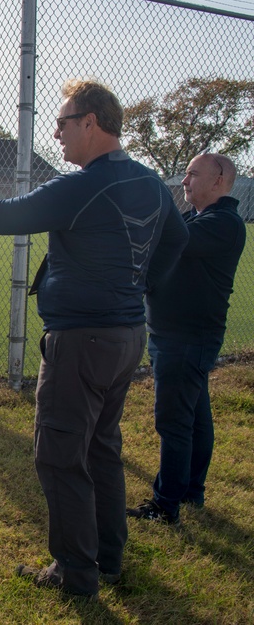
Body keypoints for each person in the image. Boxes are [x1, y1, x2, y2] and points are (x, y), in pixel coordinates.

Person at [0, 79, 189, 599]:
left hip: (81, 341)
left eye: (63, 123)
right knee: (101, 448)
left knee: (60, 455)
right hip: (126, 335)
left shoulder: (82, 186)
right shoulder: (151, 182)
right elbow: (176, 238)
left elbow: (3, 216)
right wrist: (138, 287)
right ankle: (107, 558)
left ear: (90, 122)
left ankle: (74, 573)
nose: (56, 133)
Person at [127, 153, 247, 524]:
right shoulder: (199, 218)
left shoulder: (222, 223)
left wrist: (146, 196)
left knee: (174, 421)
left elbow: (170, 238)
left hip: (186, 338)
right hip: (178, 336)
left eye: (193, 174)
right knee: (194, 416)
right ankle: (191, 491)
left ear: (218, 180)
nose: (184, 181)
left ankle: (166, 506)